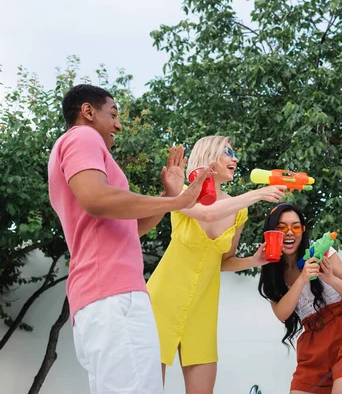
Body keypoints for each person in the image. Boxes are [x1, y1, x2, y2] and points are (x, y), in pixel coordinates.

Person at [48, 84, 214, 394]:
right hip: (113, 297)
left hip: (105, 298)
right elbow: (96, 198)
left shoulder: (78, 148)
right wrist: (177, 202)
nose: (119, 125)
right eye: (112, 114)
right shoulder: (82, 137)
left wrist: (169, 195)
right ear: (87, 112)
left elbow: (130, 228)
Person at [146, 135, 287, 394]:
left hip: (202, 308)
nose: (235, 158)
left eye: (234, 153)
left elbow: (223, 261)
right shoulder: (180, 195)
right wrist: (257, 193)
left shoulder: (239, 211)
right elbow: (208, 213)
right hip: (162, 302)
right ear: (208, 157)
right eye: (227, 152)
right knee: (148, 389)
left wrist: (255, 260)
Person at [258, 203, 342, 394]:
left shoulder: (321, 251)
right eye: (281, 227)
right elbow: (282, 313)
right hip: (312, 340)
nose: (289, 232)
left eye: (296, 226)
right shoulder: (271, 270)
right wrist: (302, 278)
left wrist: (330, 278)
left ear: (303, 230)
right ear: (271, 233)